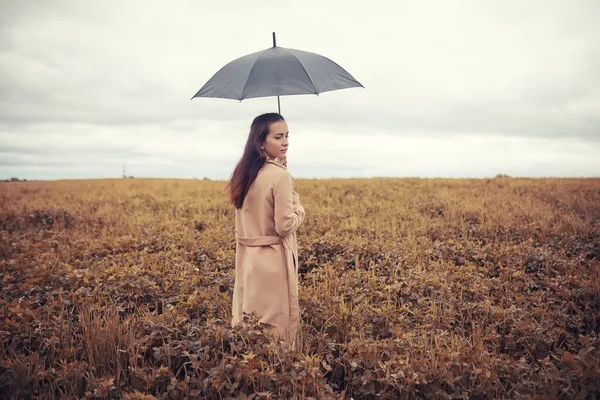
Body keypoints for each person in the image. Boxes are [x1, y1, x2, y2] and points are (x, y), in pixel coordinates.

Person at [225, 112, 305, 350]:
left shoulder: (244, 173)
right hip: (273, 262)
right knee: (276, 329)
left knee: (251, 320)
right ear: (261, 142)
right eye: (278, 137)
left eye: (287, 136)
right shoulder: (280, 177)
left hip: (248, 260)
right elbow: (284, 226)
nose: (285, 142)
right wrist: (299, 207)